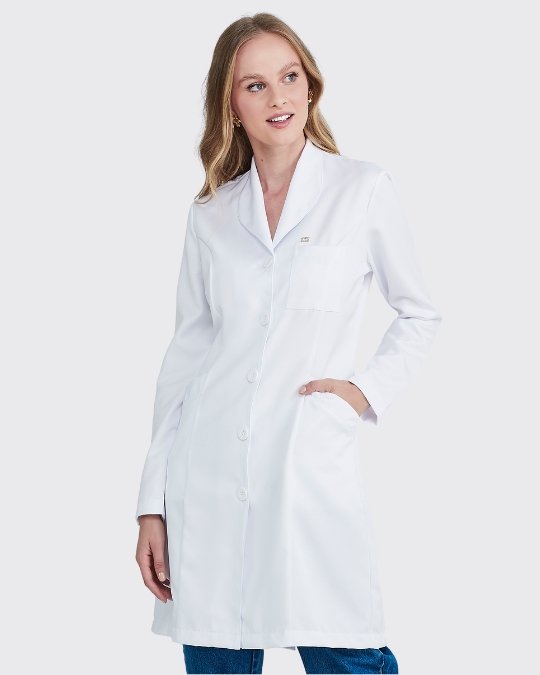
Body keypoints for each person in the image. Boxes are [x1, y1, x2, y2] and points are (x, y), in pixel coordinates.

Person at [135, 12, 442, 675]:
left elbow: (420, 313)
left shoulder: (361, 190)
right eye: (255, 85)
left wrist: (363, 392)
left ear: (310, 85)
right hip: (207, 478)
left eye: (289, 77)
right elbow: (184, 359)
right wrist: (151, 505)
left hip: (309, 469)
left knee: (346, 650)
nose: (278, 97)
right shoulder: (211, 213)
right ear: (230, 104)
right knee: (217, 650)